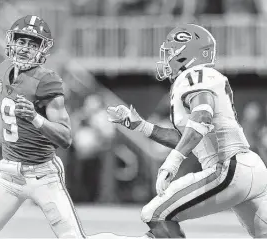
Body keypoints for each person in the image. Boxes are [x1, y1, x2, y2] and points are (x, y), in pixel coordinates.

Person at [106, 24, 267, 238]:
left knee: (155, 213)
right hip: (250, 169)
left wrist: (173, 161)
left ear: (187, 55)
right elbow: (191, 137)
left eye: (171, 52)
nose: (167, 58)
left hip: (228, 167)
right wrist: (141, 126)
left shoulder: (193, 76)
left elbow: (202, 117)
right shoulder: (203, 77)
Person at [0, 15, 86, 238]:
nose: (25, 48)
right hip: (8, 173)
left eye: (33, 44)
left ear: (42, 50)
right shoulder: (5, 70)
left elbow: (66, 138)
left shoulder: (47, 81)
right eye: (21, 41)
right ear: (12, 42)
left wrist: (35, 118)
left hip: (43, 174)